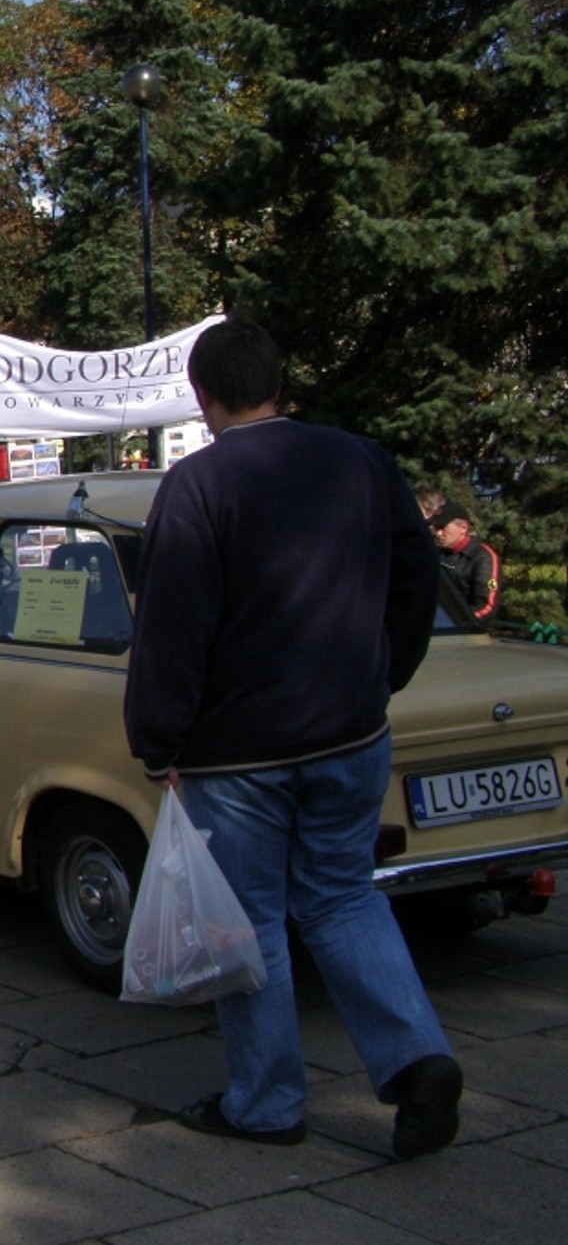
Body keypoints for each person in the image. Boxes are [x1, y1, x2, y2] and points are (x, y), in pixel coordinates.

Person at [123, 315, 459, 1159]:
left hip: (239, 750)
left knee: (252, 923)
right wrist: (385, 671)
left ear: (204, 400)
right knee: (345, 897)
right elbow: (418, 571)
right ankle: (418, 1059)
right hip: (351, 728)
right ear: (281, 381)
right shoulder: (361, 461)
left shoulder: (197, 487)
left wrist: (157, 739)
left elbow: (173, 626)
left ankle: (267, 1101)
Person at [429, 500, 500, 621]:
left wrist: (459, 622)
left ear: (463, 528)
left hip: (463, 632)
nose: (438, 533)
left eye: (442, 528)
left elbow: (486, 607)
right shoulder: (436, 553)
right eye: (436, 528)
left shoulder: (483, 557)